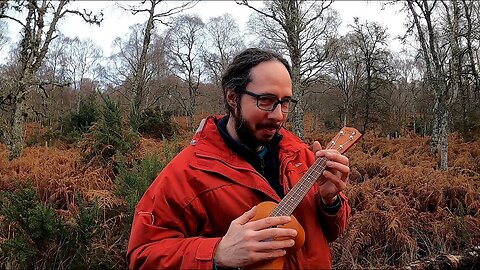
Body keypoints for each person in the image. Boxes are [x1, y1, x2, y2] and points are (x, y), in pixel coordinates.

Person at [127, 48, 351, 269]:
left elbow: (331, 233)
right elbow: (143, 256)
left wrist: (329, 202)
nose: (278, 115)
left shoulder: (301, 156)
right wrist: (216, 254)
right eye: (266, 100)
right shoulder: (187, 173)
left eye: (285, 102)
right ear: (233, 98)